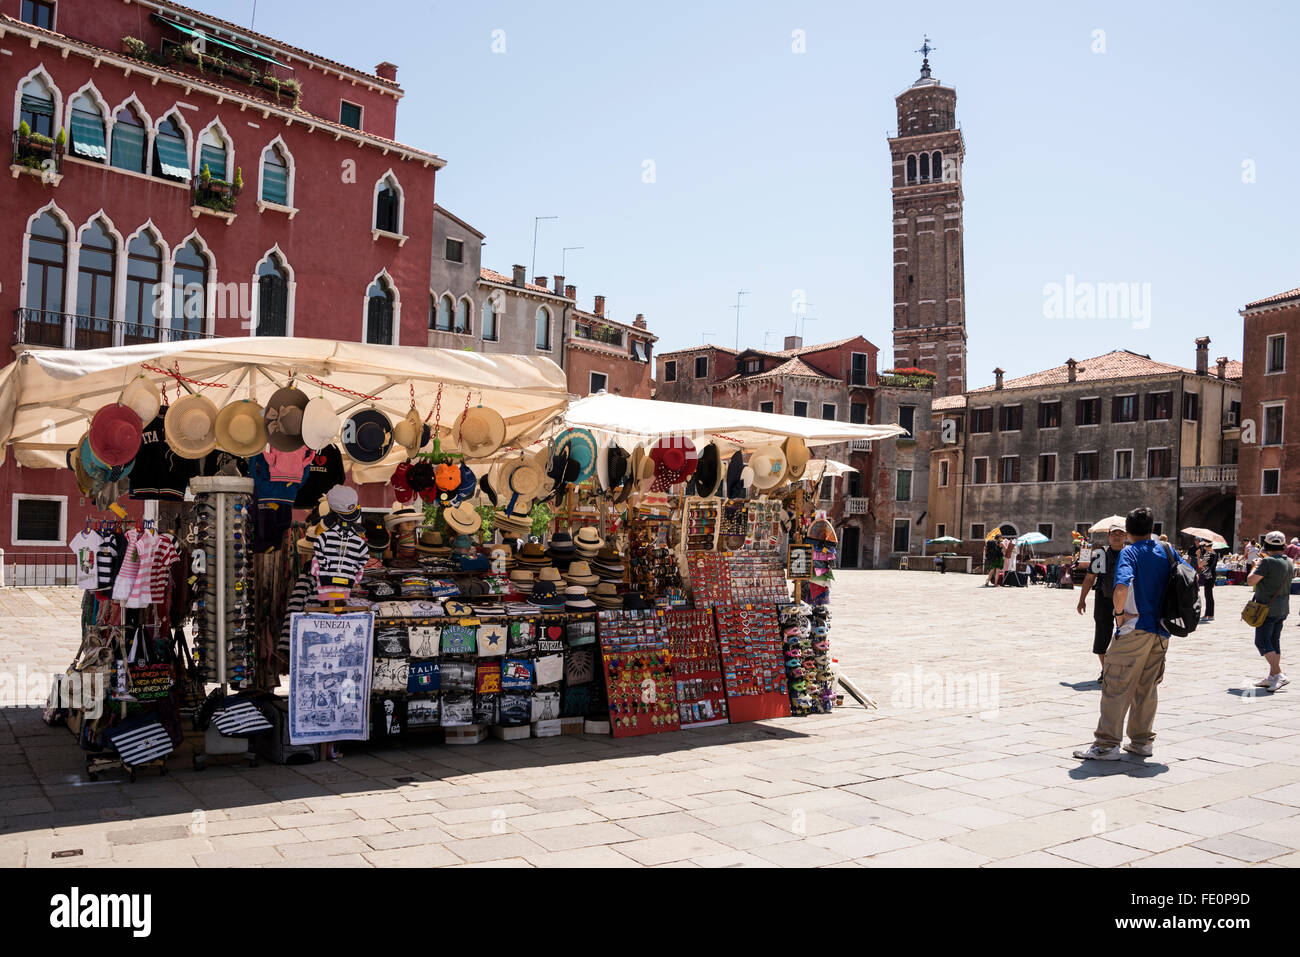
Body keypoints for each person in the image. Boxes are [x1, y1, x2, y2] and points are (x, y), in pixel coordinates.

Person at [1074, 506, 1190, 761]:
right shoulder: (1168, 550)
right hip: (1162, 631)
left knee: (1116, 684)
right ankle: (1141, 741)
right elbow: (1188, 576)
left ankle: (1107, 744)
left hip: (1135, 628)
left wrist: (1118, 615)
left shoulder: (1130, 553)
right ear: (1152, 529)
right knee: (1147, 687)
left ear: (1127, 532)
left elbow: (1121, 587)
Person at [1077, 523, 1128, 682]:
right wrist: (1082, 600)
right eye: (1114, 533)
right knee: (1102, 635)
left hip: (1126, 600)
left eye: (1120, 533)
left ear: (1125, 536)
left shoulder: (1130, 554)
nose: (1117, 536)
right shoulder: (1101, 554)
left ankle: (1124, 669)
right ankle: (1105, 670)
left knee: (1126, 635)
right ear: (1108, 536)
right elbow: (1090, 578)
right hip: (1104, 598)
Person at [1247, 530, 1294, 692]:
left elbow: (1250, 581)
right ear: (1283, 545)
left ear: (1266, 545)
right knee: (1274, 641)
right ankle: (1272, 676)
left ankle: (1279, 674)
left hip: (1265, 608)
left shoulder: (1267, 562)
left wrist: (1255, 567)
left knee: (1261, 641)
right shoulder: (1289, 561)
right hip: (1282, 607)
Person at [1197, 540, 1218, 623]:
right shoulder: (1214, 553)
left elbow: (1200, 565)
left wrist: (1198, 556)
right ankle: (1208, 614)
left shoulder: (1208, 554)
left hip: (1209, 575)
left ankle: (1209, 614)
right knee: (1209, 595)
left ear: (1207, 546)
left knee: (1208, 595)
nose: (1203, 547)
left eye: (1204, 545)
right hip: (1211, 575)